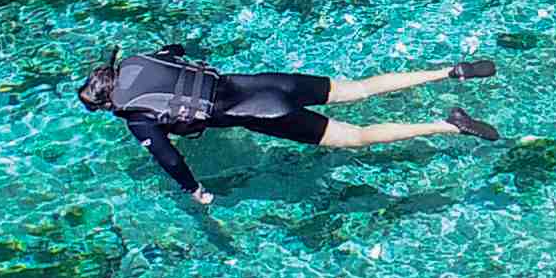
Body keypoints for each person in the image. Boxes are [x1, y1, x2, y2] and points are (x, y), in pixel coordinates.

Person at [77, 46, 496, 202]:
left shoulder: (136, 117)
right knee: (361, 88)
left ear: (108, 102)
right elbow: (177, 51)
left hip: (268, 115)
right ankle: (449, 72)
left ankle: (450, 124)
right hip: (272, 83)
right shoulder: (140, 60)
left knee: (357, 137)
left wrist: (195, 189)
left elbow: (168, 158)